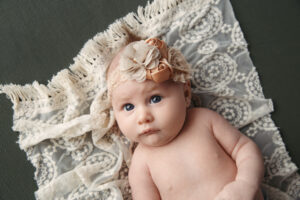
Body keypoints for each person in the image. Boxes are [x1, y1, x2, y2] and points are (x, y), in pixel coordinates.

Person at [106, 38, 265, 200]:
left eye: (155, 99)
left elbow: (245, 149)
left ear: (186, 93)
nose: (143, 117)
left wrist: (245, 184)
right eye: (128, 107)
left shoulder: (204, 120)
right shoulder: (141, 163)